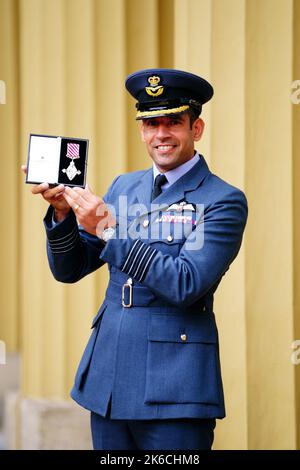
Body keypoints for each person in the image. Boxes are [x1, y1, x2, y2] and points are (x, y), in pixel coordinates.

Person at [24, 68, 248, 450]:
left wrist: (110, 229)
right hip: (109, 375)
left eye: (173, 122)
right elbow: (70, 269)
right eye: (150, 123)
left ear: (197, 128)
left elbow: (186, 283)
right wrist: (62, 214)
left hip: (173, 385)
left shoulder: (222, 200)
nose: (160, 134)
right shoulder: (124, 185)